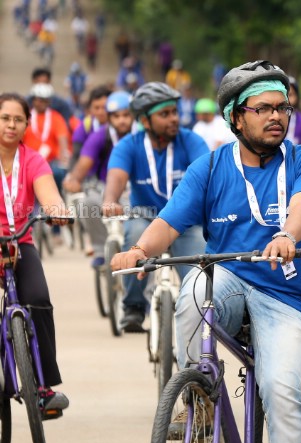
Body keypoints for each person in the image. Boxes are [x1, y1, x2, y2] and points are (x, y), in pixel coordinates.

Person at [109, 60, 301, 443]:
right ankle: (202, 395)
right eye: (263, 109)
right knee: (193, 291)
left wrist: (286, 235)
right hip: (231, 280)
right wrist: (141, 251)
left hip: (287, 298)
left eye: (282, 107)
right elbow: (169, 222)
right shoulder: (209, 167)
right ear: (234, 117)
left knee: (279, 388)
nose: (277, 116)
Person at [101, 82, 208, 332]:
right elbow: (115, 179)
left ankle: (197, 309)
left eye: (174, 112)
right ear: (145, 121)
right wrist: (111, 200)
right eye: (164, 114)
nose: (173, 118)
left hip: (185, 221)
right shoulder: (129, 145)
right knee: (134, 236)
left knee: (201, 265)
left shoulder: (191, 141)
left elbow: (207, 176)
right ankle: (134, 307)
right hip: (145, 216)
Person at [0, 93, 72, 416]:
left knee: (39, 299)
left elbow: (49, 194)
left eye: (18, 119)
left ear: (27, 124)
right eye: (5, 118)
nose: (11, 125)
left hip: (19, 244)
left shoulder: (33, 160)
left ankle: (43, 388)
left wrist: (58, 210)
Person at [63, 90, 133, 255]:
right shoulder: (100, 135)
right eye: (116, 116)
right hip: (104, 187)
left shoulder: (142, 135)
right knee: (88, 204)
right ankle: (101, 251)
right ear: (109, 118)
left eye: (126, 115)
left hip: (135, 189)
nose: (122, 120)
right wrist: (74, 179)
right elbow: (85, 161)